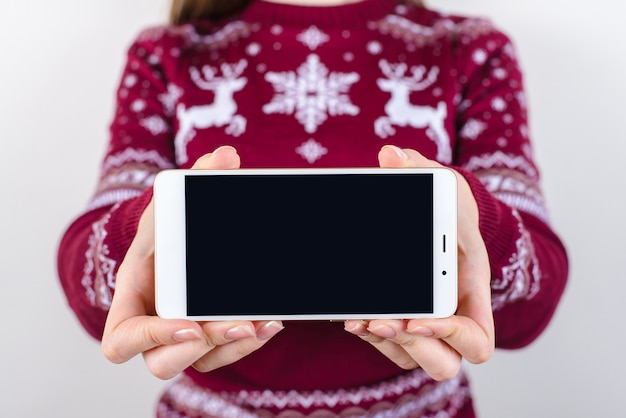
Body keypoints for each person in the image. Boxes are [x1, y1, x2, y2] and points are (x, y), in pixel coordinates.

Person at [57, 0, 569, 416]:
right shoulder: (166, 53)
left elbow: (535, 300)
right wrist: (150, 226)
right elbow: (86, 275)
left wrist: (475, 217)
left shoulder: (470, 50)